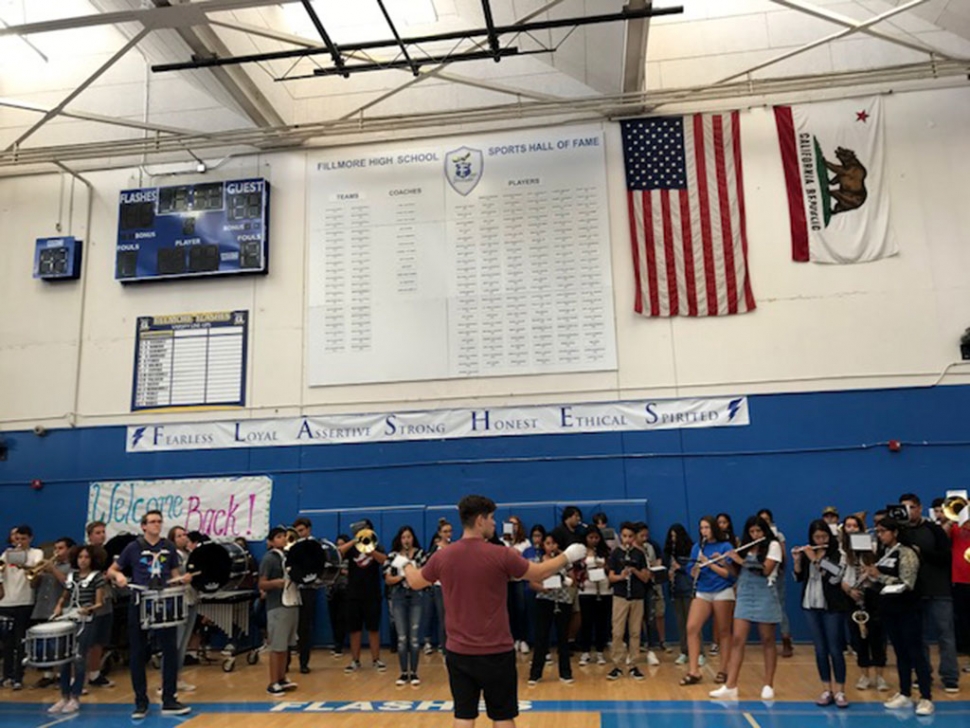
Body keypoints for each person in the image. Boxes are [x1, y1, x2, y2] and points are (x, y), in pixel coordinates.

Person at [400, 494, 587, 728]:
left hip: (458, 652)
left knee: (463, 717)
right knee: (502, 717)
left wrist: (405, 565)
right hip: (496, 652)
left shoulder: (442, 556)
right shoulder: (502, 555)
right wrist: (567, 556)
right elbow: (538, 573)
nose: (494, 523)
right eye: (491, 518)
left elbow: (416, 581)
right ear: (480, 520)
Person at [106, 510, 191, 719]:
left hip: (164, 603)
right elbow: (112, 570)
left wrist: (182, 580)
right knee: (137, 653)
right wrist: (118, 576)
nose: (157, 525)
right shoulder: (133, 547)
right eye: (152, 522)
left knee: (170, 651)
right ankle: (140, 702)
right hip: (140, 601)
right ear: (143, 526)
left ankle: (169, 699)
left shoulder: (168, 547)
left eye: (159, 522)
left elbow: (174, 575)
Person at [709, 516, 782, 701]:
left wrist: (739, 560)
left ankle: (768, 684)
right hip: (745, 593)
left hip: (765, 592)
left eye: (759, 531)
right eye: (752, 532)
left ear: (764, 531)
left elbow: (765, 569)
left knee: (767, 639)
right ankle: (731, 686)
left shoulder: (773, 545)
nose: (756, 535)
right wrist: (726, 562)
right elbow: (737, 573)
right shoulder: (745, 546)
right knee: (738, 639)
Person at [869, 518, 935, 715]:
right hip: (890, 610)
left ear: (895, 532)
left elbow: (907, 582)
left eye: (883, 531)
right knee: (900, 652)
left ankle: (925, 697)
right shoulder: (885, 553)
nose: (880, 535)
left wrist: (878, 576)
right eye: (878, 532)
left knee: (916, 653)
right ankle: (905, 693)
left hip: (909, 610)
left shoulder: (907, 552)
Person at [899, 493, 959, 692]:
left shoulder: (934, 529)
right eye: (904, 508)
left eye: (911, 508)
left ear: (919, 508)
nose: (909, 512)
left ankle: (950, 677)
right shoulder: (901, 532)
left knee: (946, 635)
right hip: (915, 592)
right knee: (918, 637)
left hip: (939, 590)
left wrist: (921, 552)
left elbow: (946, 557)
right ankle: (923, 674)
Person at [793, 518, 850, 709]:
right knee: (820, 649)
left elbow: (836, 576)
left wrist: (816, 559)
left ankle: (840, 690)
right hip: (811, 603)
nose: (820, 540)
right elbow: (799, 577)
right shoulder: (809, 552)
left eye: (823, 536)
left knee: (835, 648)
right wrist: (797, 562)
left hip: (832, 605)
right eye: (816, 537)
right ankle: (827, 689)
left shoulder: (837, 553)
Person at [48, 544, 107, 714]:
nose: (83, 560)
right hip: (70, 617)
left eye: (86, 557)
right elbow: (65, 595)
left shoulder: (97, 577)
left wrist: (89, 608)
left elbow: (99, 602)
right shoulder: (71, 575)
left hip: (86, 620)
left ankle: (75, 696)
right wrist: (59, 606)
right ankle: (64, 695)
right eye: (80, 557)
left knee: (79, 657)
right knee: (64, 658)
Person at [679, 516, 737, 686]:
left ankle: (723, 670)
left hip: (722, 590)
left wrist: (710, 564)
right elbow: (691, 571)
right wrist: (695, 570)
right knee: (692, 627)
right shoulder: (697, 547)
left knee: (724, 631)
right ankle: (694, 671)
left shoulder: (725, 546)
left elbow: (731, 575)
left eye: (707, 528)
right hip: (703, 590)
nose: (704, 531)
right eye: (701, 528)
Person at [840, 514, 889, 691]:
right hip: (853, 596)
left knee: (877, 636)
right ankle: (864, 675)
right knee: (858, 638)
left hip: (872, 595)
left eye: (855, 526)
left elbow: (881, 571)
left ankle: (880, 677)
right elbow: (840, 576)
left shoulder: (874, 547)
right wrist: (850, 590)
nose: (851, 529)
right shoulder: (843, 551)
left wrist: (870, 570)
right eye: (848, 526)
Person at [337, 519, 388, 673]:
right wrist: (354, 541)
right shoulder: (352, 548)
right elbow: (338, 552)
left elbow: (384, 560)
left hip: (372, 593)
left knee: (373, 628)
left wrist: (371, 550)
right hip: (353, 594)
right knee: (355, 629)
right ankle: (355, 660)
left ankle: (376, 659)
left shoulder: (377, 545)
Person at [527, 532, 575, 685]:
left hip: (563, 601)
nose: (551, 546)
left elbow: (572, 579)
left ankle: (565, 673)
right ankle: (535, 674)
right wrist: (543, 588)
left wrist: (565, 581)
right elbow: (532, 582)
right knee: (541, 637)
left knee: (563, 637)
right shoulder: (539, 561)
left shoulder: (565, 561)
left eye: (554, 543)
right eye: (548, 543)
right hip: (545, 601)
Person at [0, 524, 44, 690]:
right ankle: (7, 676)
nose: (20, 542)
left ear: (30, 539)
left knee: (20, 642)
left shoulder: (36, 553)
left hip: (24, 601)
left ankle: (19, 676)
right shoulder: (7, 554)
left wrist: (23, 565)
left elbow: (36, 573)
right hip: (5, 602)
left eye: (23, 539)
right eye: (17, 539)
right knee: (7, 643)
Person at [258, 526, 299, 696]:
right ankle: (273, 682)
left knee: (286, 646)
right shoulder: (269, 558)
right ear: (272, 540)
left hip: (291, 603)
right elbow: (262, 584)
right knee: (277, 646)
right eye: (280, 536)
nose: (283, 539)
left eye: (285, 536)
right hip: (277, 606)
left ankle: (282, 678)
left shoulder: (288, 557)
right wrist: (277, 583)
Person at [606, 522, 651, 680]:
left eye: (630, 536)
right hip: (620, 596)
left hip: (637, 597)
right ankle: (617, 665)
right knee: (617, 632)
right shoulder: (616, 553)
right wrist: (622, 576)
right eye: (624, 536)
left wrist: (634, 570)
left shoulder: (639, 554)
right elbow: (611, 576)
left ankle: (633, 665)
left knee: (635, 632)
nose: (627, 539)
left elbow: (646, 577)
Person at [385, 525, 426, 686]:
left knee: (414, 638)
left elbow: (423, 574)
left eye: (409, 537)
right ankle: (403, 672)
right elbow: (388, 578)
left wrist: (411, 574)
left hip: (416, 596)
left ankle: (414, 672)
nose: (406, 540)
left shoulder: (421, 554)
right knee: (402, 638)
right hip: (398, 597)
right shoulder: (393, 556)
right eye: (403, 537)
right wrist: (404, 577)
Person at [31, 536, 74, 688]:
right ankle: (47, 674)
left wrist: (53, 570)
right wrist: (36, 575)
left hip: (61, 608)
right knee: (45, 644)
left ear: (69, 550)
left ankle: (63, 675)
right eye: (56, 548)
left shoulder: (72, 566)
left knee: (62, 644)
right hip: (43, 607)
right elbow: (34, 585)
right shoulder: (49, 565)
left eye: (61, 548)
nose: (57, 552)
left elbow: (68, 583)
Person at [757, 508, 793, 658]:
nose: (764, 522)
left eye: (767, 519)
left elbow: (783, 555)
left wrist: (779, 570)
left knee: (780, 607)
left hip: (776, 575)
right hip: (760, 576)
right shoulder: (757, 536)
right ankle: (768, 641)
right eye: (761, 519)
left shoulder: (778, 535)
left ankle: (786, 640)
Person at [83, 520, 115, 689]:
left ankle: (95, 673)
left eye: (103, 532)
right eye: (97, 532)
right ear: (89, 536)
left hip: (106, 598)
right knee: (88, 639)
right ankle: (82, 676)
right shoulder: (85, 554)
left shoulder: (108, 552)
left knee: (99, 640)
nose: (101, 535)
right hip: (90, 599)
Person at [577, 525, 610, 666]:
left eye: (596, 537)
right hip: (587, 590)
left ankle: (600, 652)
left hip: (604, 590)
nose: (594, 540)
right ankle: (585, 651)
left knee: (601, 622)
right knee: (587, 622)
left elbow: (612, 567)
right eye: (591, 537)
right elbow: (575, 570)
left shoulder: (605, 551)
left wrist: (605, 567)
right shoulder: (581, 552)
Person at [292, 517, 320, 674]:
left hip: (308, 588)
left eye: (301, 531)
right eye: (297, 532)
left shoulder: (314, 546)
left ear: (309, 529)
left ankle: (304, 662)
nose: (299, 534)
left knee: (305, 627)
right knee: (290, 626)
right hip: (292, 589)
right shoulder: (292, 546)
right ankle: (286, 663)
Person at [663, 523, 694, 666]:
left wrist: (679, 568)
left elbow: (692, 569)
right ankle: (684, 651)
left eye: (676, 536)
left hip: (687, 588)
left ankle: (699, 652)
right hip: (675, 590)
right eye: (671, 537)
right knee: (681, 623)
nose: (673, 539)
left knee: (692, 623)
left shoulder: (690, 549)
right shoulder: (669, 553)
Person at [421, 518, 452, 656]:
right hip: (439, 587)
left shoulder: (453, 547)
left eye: (450, 531)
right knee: (442, 617)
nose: (448, 534)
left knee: (450, 618)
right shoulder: (436, 549)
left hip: (451, 586)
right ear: (439, 533)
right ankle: (444, 646)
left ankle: (449, 645)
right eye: (445, 531)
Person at [946, 506, 970, 675]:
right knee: (964, 619)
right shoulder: (956, 528)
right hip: (960, 580)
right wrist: (953, 518)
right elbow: (942, 535)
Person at [502, 516, 530, 654]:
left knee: (521, 609)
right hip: (506, 582)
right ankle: (512, 639)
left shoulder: (525, 543)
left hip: (519, 580)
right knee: (509, 610)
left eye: (515, 524)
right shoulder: (502, 543)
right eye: (510, 524)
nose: (513, 527)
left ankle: (523, 638)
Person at [327, 534, 350, 657]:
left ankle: (339, 645)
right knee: (333, 618)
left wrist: (343, 571)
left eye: (342, 544)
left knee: (342, 618)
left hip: (345, 591)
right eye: (338, 545)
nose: (340, 547)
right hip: (332, 591)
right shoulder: (332, 559)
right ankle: (336, 642)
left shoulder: (350, 559)